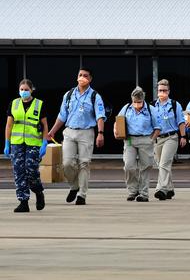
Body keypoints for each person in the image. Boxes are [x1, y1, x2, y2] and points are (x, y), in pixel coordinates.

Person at [47, 67, 106, 205]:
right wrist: (52, 131)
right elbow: (62, 116)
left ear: (90, 79)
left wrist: (100, 133)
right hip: (69, 131)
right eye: (80, 75)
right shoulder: (68, 95)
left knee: (84, 163)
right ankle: (74, 186)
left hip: (86, 132)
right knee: (67, 163)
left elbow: (100, 116)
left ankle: (82, 195)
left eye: (85, 75)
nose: (82, 77)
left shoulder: (95, 96)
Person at [4, 79, 49, 212]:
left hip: (33, 143)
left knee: (31, 171)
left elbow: (45, 125)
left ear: (32, 90)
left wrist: (44, 143)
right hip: (17, 143)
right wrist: (7, 142)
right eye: (21, 89)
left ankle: (38, 192)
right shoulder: (14, 104)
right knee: (19, 172)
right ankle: (23, 201)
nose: (23, 92)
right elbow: (9, 125)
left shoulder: (39, 104)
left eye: (26, 90)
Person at [116, 87, 161, 202]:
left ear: (143, 100)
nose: (137, 104)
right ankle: (133, 190)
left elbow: (158, 128)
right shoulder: (126, 108)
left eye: (139, 102)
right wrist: (116, 131)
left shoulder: (151, 110)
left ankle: (144, 193)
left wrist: (152, 140)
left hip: (146, 139)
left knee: (145, 167)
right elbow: (118, 121)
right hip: (130, 140)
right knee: (128, 165)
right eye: (135, 102)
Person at [152, 79, 186, 201]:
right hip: (157, 139)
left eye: (165, 90)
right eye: (160, 90)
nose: (162, 92)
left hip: (171, 137)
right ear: (157, 91)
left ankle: (160, 189)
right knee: (161, 165)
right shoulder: (152, 106)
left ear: (169, 91)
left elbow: (181, 122)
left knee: (164, 164)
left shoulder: (175, 105)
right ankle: (170, 188)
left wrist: (183, 136)